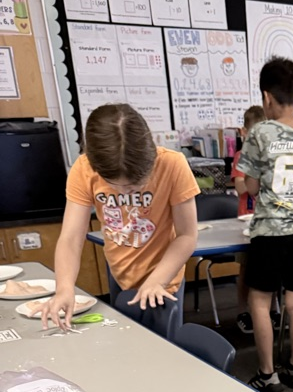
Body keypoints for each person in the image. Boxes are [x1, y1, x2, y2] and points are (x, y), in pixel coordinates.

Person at [42, 103, 199, 330]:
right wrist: (64, 288)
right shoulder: (84, 170)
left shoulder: (172, 165)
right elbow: (71, 238)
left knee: (163, 349)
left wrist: (157, 281)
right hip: (119, 272)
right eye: (119, 186)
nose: (129, 192)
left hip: (164, 276)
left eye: (137, 185)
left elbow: (186, 236)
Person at [237, 58, 293, 392]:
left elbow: (251, 187)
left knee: (259, 302)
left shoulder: (260, 133)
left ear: (266, 97)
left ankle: (267, 374)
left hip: (270, 231)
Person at [231, 104, 265, 335]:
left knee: (265, 271)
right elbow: (241, 185)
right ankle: (244, 311)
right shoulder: (241, 156)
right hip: (246, 221)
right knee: (246, 269)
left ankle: (267, 312)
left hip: (268, 222)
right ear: (244, 132)